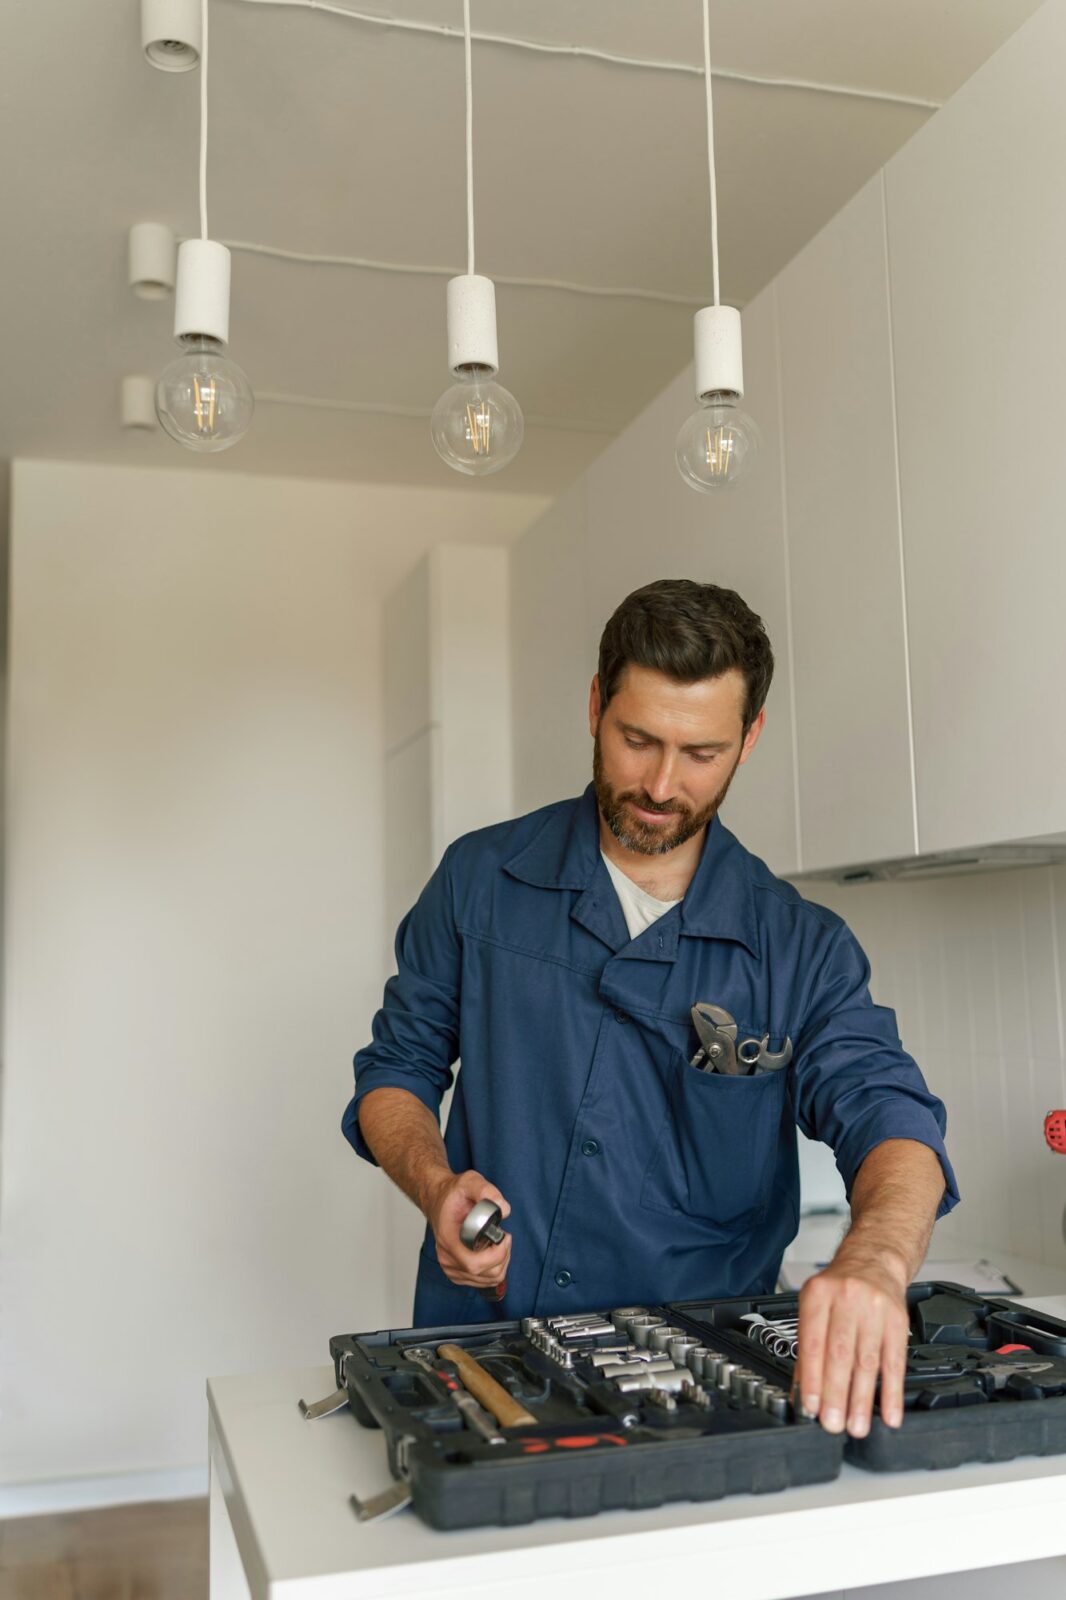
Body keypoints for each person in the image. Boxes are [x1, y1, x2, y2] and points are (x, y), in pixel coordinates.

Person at [343, 578, 958, 1439]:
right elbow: (394, 1075)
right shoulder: (479, 882)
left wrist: (877, 1260)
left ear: (750, 738)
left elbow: (893, 1119)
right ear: (596, 707)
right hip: (483, 1357)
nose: (662, 784)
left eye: (701, 753)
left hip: (705, 1381)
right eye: (638, 740)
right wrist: (435, 1184)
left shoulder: (801, 946)